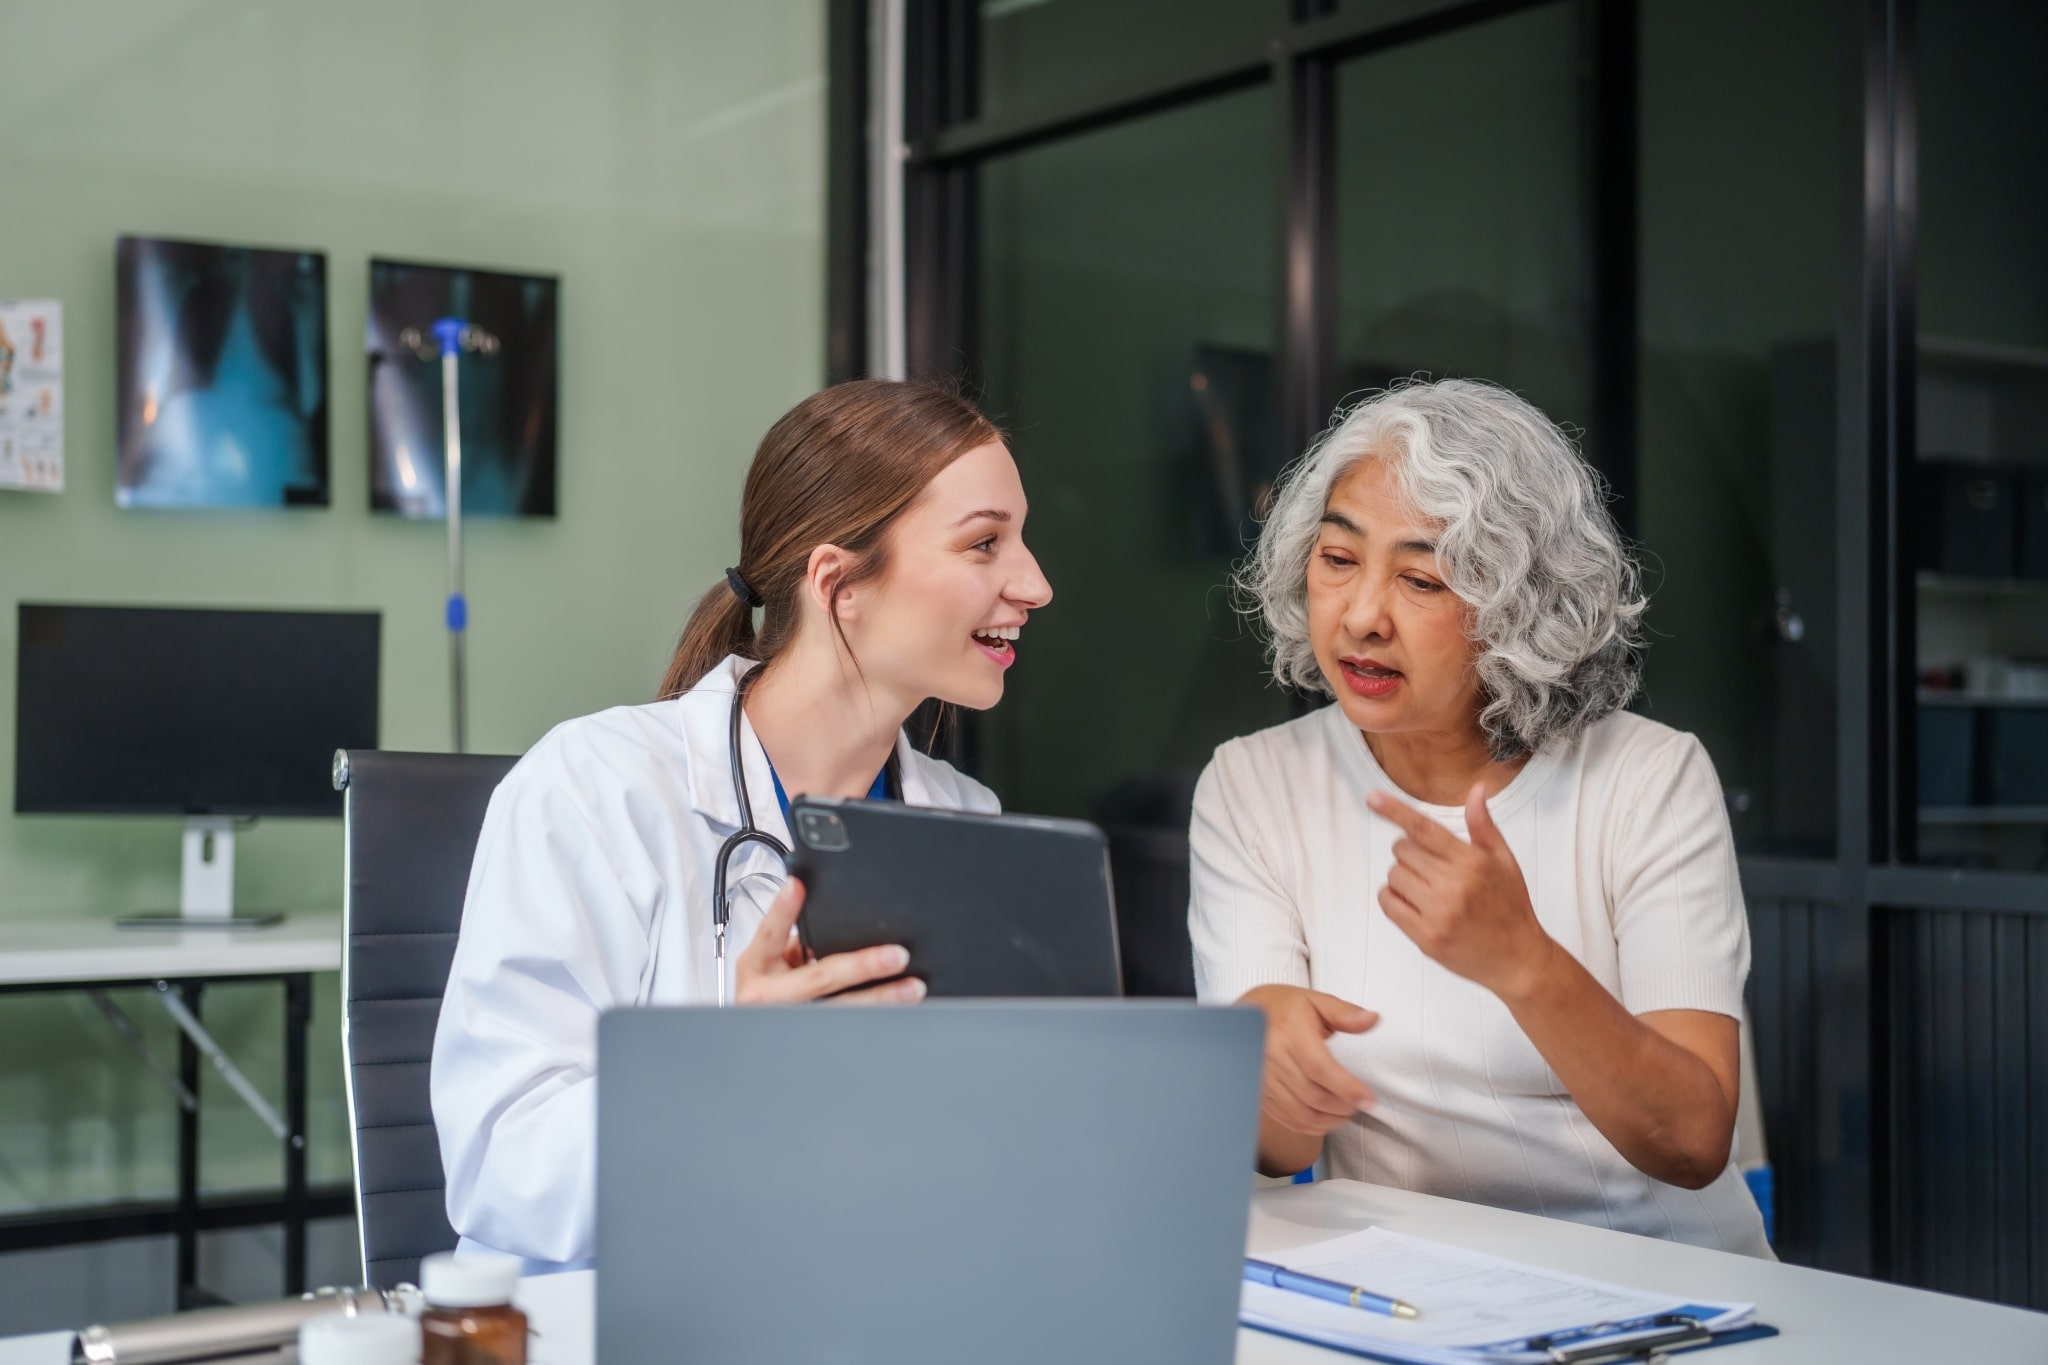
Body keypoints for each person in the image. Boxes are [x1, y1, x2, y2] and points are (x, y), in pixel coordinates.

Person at [431, 379, 1053, 1271]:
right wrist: (731, 1070)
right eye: (986, 543)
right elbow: (502, 1164)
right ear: (840, 583)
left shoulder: (968, 822)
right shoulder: (594, 789)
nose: (1034, 584)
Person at [1190, 378, 1770, 1257]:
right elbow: (1280, 1151)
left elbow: (1692, 1142)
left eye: (1421, 578)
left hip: (1661, 1285)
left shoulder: (1647, 776)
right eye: (1338, 560)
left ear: (1520, 604)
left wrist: (1523, 961)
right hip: (1414, 1290)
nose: (1362, 616)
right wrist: (1273, 1063)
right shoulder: (1254, 783)